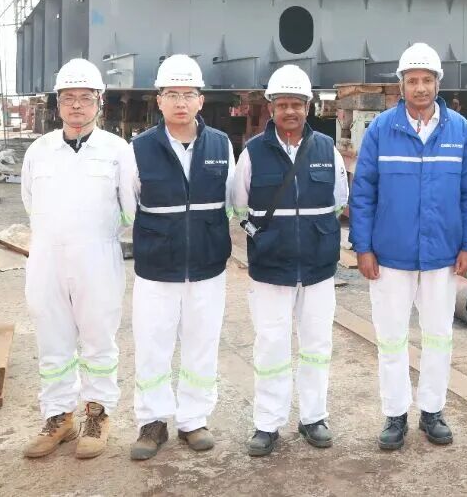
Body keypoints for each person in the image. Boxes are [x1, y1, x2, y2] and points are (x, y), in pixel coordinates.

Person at [350, 43, 467, 450]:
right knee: (391, 337)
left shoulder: (460, 130)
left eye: (427, 80)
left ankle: (432, 411)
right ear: (401, 85)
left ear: (438, 83)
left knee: (438, 335)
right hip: (391, 255)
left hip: (442, 255)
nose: (420, 87)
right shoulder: (381, 130)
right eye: (413, 81)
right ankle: (395, 415)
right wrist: (363, 247)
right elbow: (363, 192)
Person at [229, 65, 348, 457]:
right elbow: (239, 205)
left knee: (316, 345)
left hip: (317, 268)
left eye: (297, 104)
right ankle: (268, 423)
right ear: (271, 108)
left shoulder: (327, 150)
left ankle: (314, 417)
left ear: (308, 107)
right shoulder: (252, 154)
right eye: (282, 105)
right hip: (271, 269)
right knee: (271, 345)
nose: (290, 111)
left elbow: (339, 201)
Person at [20, 58, 135, 459]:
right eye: (68, 98)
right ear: (58, 103)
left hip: (97, 257)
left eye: (85, 98)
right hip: (46, 257)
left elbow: (129, 208)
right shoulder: (39, 151)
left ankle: (97, 415)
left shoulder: (117, 151)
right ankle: (58, 417)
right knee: (52, 339)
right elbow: (29, 201)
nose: (76, 106)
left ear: (99, 102)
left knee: (98, 339)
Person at [128, 55, 235, 460]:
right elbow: (129, 204)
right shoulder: (139, 149)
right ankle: (152, 422)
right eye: (172, 93)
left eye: (188, 94)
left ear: (201, 100)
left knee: (201, 343)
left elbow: (232, 201)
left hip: (207, 266)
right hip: (157, 267)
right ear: (159, 100)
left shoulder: (221, 145)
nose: (180, 102)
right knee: (152, 344)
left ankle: (194, 419)